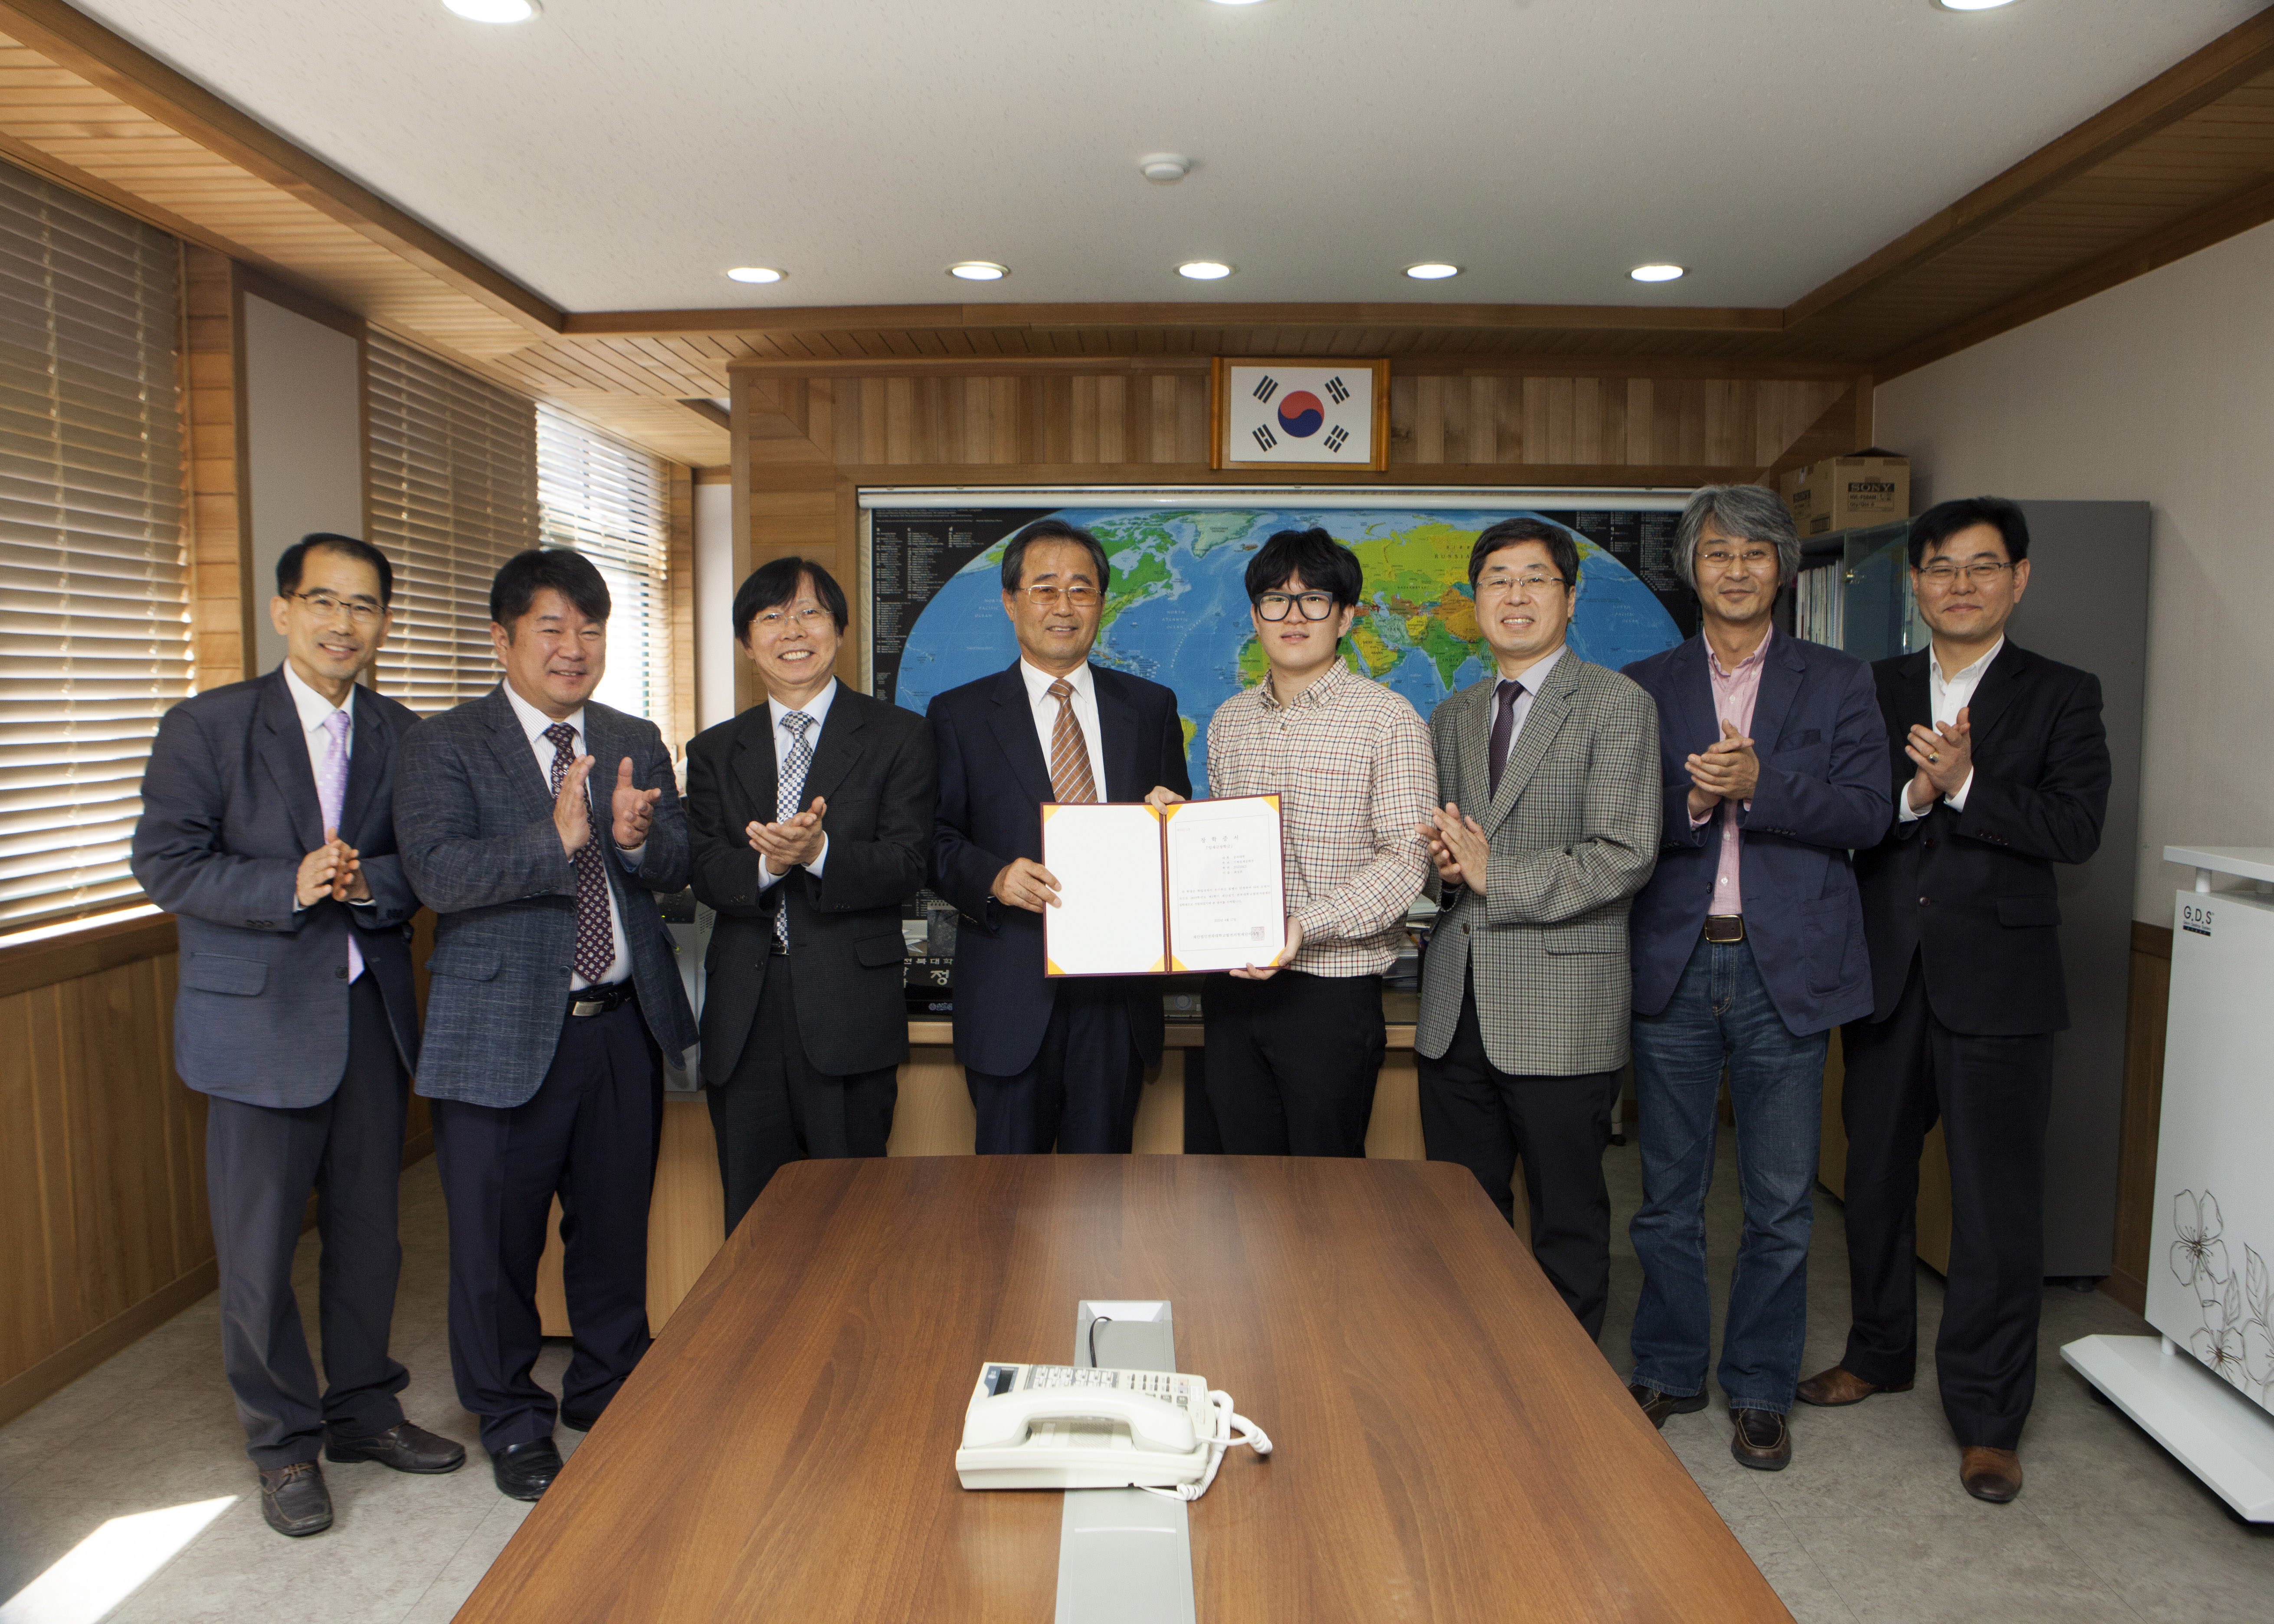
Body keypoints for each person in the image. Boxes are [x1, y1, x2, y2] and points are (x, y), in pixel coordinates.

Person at [131, 534, 463, 1538]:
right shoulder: (208, 726)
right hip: (256, 1027)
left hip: (368, 1018)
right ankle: (282, 1446)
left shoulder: (405, 734)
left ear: (384, 624)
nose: (342, 624)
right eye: (323, 601)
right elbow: (166, 862)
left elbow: (425, 865)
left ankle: (363, 1411)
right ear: (283, 611)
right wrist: (289, 882)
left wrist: (366, 884)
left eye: (363, 606)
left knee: (369, 1237)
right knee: (259, 1251)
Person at [1797, 498, 2109, 1505]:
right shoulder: (1869, 686)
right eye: (1940, 567)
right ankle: (1877, 1353)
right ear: (1915, 584)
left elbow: (2075, 830)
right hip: (1886, 976)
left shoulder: (2062, 694)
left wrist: (1970, 785)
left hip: (2001, 985)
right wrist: (1910, 798)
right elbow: (1840, 813)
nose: (1959, 585)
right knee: (1873, 1185)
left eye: (1981, 566)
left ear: (2018, 579)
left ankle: (1986, 1419)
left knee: (1993, 1208)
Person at [393, 547, 696, 1502]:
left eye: (591, 629)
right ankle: (511, 1418)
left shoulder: (633, 736)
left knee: (613, 1229)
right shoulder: (445, 744)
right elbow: (437, 874)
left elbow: (679, 861)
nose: (574, 648)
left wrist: (639, 842)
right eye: (552, 627)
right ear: (503, 639)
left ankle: (607, 1388)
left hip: (620, 1026)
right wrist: (554, 840)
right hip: (498, 1032)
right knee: (495, 1247)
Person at [1620, 484, 1890, 1471]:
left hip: (1789, 968)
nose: (1734, 570)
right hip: (1674, 958)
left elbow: (1868, 813)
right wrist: (1693, 801)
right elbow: (1617, 822)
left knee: (1779, 1203)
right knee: (1667, 1196)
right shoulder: (1642, 684)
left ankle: (1761, 1387)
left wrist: (1762, 787)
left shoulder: (1839, 681)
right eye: (1716, 553)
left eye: (1754, 553)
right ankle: (1666, 1368)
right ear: (1690, 569)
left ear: (1783, 569)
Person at [1414, 517, 1659, 1339]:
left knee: (1566, 1221)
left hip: (1561, 1010)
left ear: (1570, 597)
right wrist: (1447, 871)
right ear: (1475, 598)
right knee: (1459, 1217)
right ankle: (1475, 1372)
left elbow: (1625, 854)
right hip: (1455, 1009)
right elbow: (1446, 855)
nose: (1514, 595)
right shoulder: (1452, 713)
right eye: (1497, 580)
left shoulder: (1616, 704)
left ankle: (1566, 1391)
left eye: (1534, 578)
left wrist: (1496, 876)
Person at [1159, 527, 1433, 1156]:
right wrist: (1174, 830)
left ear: (1346, 617)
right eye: (1275, 600)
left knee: (1323, 1188)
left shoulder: (1388, 720)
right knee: (1241, 1181)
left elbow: (1405, 861)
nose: (1293, 616)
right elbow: (1227, 852)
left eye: (1314, 599)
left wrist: (1301, 927)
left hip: (1328, 993)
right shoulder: (1230, 721)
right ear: (1255, 616)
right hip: (1233, 991)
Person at [684, 558, 935, 1234]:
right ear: (747, 643)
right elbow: (705, 870)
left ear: (840, 631)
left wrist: (819, 853)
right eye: (771, 617)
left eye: (810, 613)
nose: (791, 631)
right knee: (753, 1221)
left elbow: (909, 862)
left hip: (848, 1009)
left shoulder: (899, 735)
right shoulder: (713, 751)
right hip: (745, 1013)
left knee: (851, 1220)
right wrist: (768, 864)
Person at [929, 518, 1190, 1153]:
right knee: (1008, 1197)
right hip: (1011, 997)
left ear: (1101, 602)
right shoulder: (959, 714)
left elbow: (1176, 843)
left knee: (1102, 1195)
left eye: (1081, 589)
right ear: (1010, 602)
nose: (1064, 606)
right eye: (1044, 588)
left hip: (1116, 1000)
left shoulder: (1150, 707)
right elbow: (932, 839)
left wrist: (1175, 827)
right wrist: (993, 878)